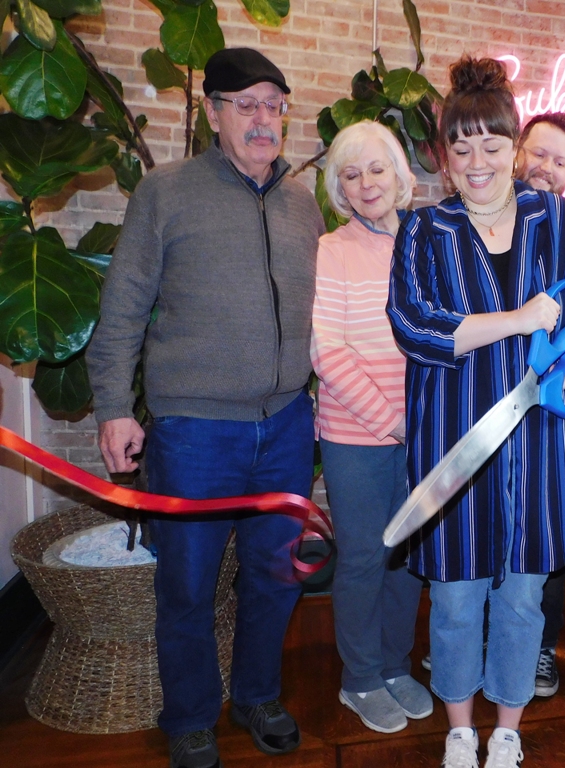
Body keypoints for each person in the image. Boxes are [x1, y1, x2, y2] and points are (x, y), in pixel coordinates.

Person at [386, 56, 565, 768]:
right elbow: (414, 324)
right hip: (455, 443)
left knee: (525, 601)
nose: (477, 163)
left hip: (542, 449)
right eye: (460, 147)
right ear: (443, 153)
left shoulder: (560, 220)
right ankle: (459, 729)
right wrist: (519, 319)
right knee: (455, 600)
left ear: (514, 147)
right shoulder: (424, 231)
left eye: (491, 146)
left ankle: (507, 731)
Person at [85, 48, 324, 768]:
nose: (262, 119)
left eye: (273, 105)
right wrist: (113, 407)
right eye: (245, 104)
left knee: (275, 576)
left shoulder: (303, 204)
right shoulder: (166, 192)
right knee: (186, 584)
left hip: (286, 426)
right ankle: (189, 716)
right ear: (213, 114)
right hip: (194, 433)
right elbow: (123, 306)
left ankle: (256, 696)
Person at [311, 121, 433, 734]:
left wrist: (425, 422)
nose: (366, 184)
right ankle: (359, 679)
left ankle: (393, 666)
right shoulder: (332, 249)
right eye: (351, 174)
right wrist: (393, 422)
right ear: (339, 187)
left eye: (377, 169)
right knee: (363, 557)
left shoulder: (427, 241)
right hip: (356, 435)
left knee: (406, 556)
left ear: (399, 174)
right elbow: (326, 351)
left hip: (423, 434)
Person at [517, 111, 565, 698]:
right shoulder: (476, 224)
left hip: (547, 414)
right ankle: (483, 638)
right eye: (540, 154)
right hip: (483, 406)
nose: (548, 168)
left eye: (561, 161)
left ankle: (540, 647)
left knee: (544, 534)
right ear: (518, 151)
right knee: (485, 527)